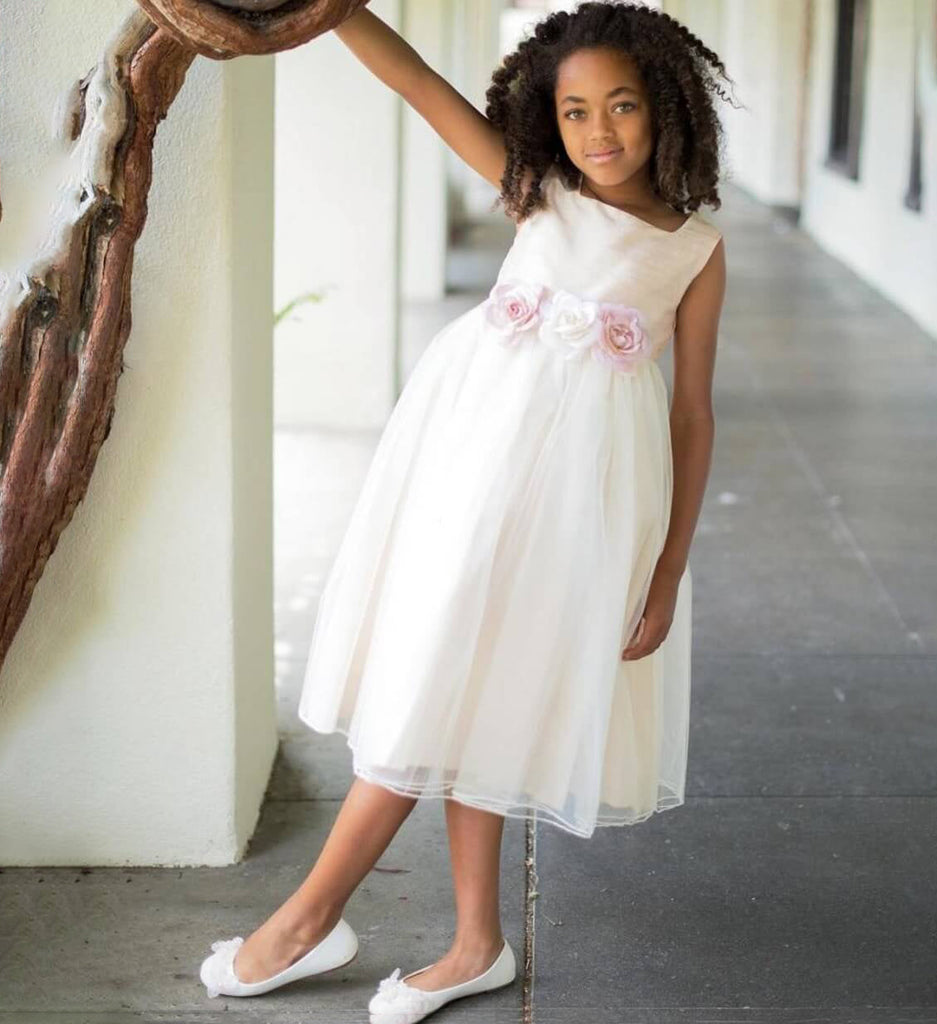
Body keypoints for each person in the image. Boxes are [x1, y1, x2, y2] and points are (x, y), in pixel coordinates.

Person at [200, 2, 732, 1019]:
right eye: (574, 112)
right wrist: (340, 9)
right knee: (440, 673)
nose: (600, 132)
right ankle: (373, 924)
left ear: (666, 108)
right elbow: (414, 84)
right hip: (467, 473)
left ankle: (385, 929)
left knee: (492, 688)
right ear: (548, 118)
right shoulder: (536, 192)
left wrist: (664, 570)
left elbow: (693, 414)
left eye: (621, 106)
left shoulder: (694, 251)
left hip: (581, 506)